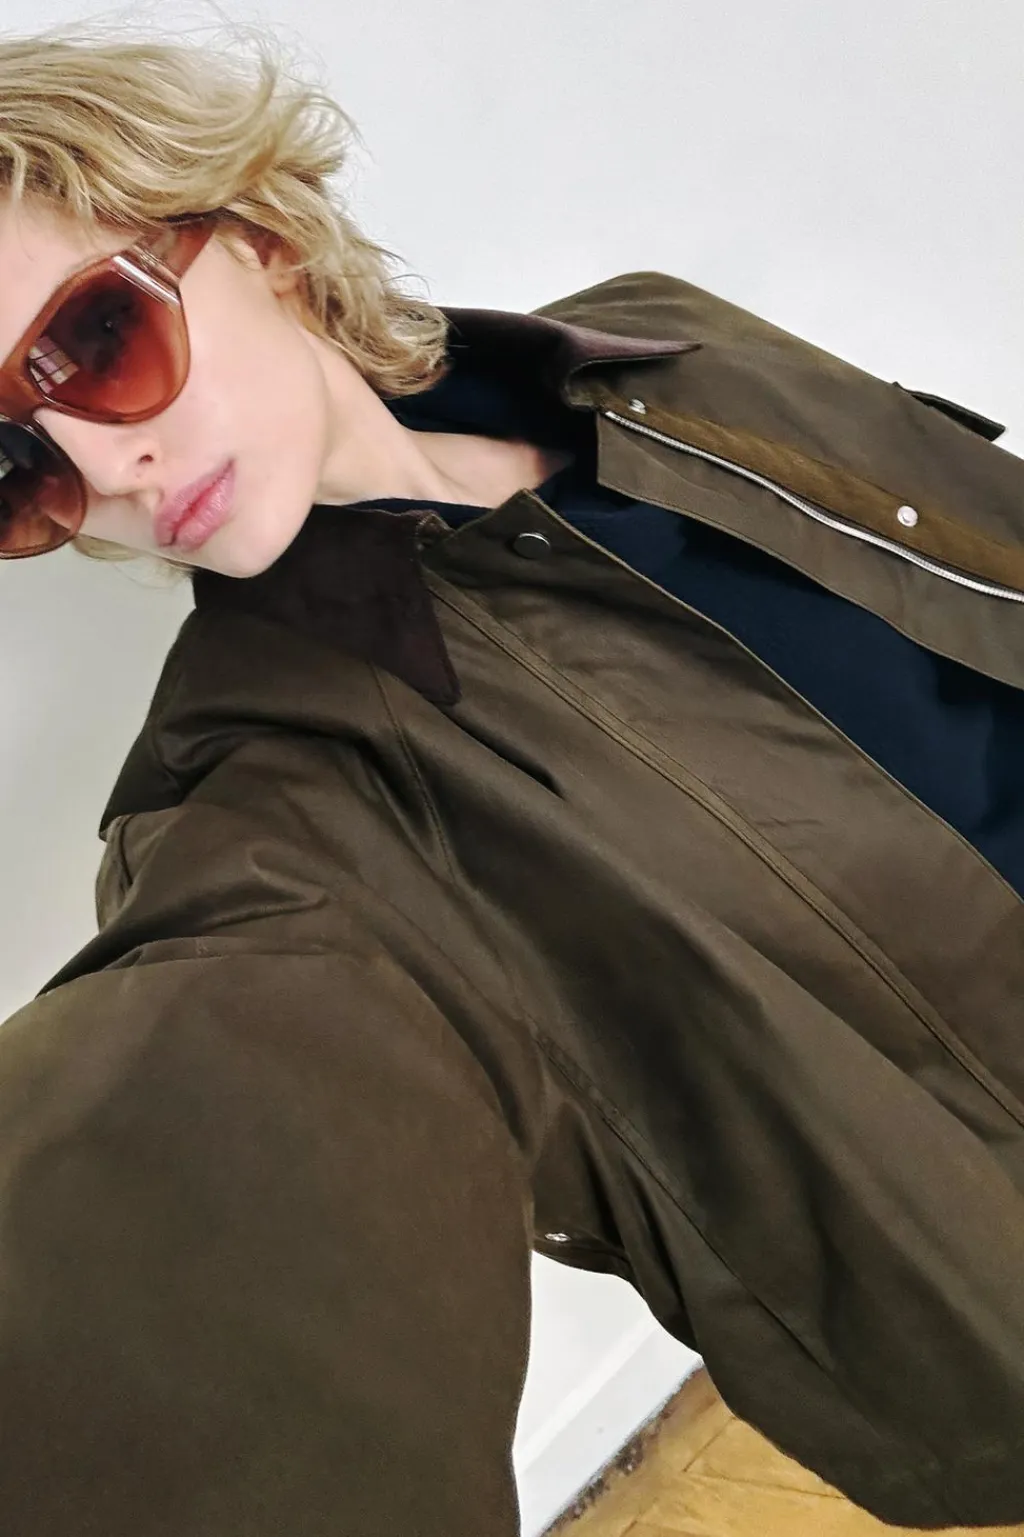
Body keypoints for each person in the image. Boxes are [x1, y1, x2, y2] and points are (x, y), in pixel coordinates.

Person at [1, 17, 1024, 1537]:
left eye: (93, 340)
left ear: (261, 240)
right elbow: (202, 1120)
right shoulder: (272, 805)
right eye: (12, 462)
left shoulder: (662, 348)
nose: (106, 471)